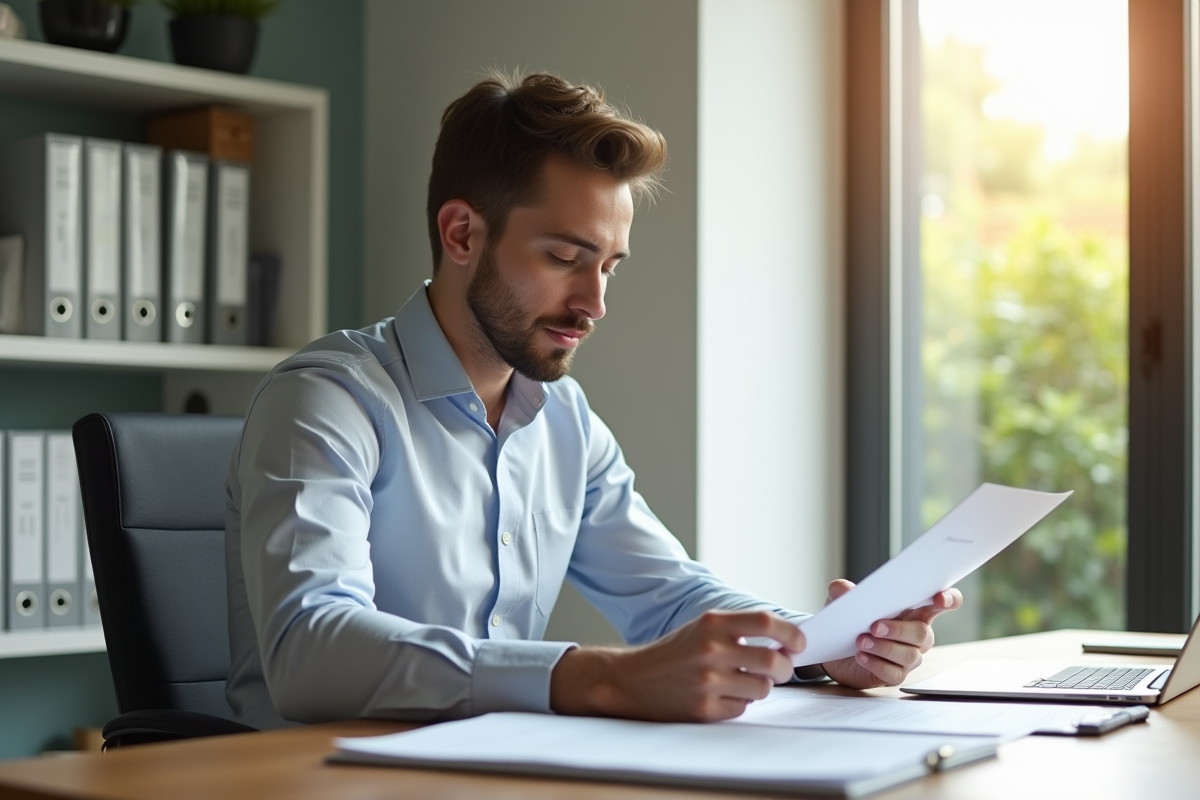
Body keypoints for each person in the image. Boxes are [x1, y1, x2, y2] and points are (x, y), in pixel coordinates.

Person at [225, 70, 961, 730]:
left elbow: (669, 596)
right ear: (461, 234)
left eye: (609, 266)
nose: (595, 302)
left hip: (490, 774)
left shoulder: (562, 417)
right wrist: (599, 676)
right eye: (564, 258)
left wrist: (823, 646)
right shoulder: (326, 401)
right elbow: (310, 648)